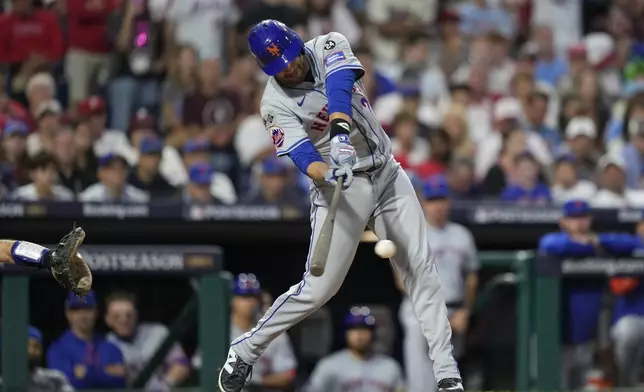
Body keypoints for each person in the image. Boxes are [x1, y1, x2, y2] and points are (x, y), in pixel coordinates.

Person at [218, 20, 462, 392]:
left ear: (297, 43)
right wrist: (324, 173)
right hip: (342, 186)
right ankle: (247, 348)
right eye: (277, 65)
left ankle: (446, 374)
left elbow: (339, 86)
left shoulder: (329, 43)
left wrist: (340, 135)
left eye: (288, 57)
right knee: (320, 288)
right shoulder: (273, 103)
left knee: (421, 269)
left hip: (387, 173)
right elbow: (301, 154)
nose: (288, 67)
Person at [538, 200, 637, 389]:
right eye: (574, 218)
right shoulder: (556, 241)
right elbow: (549, 245)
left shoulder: (600, 241)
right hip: (558, 333)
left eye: (583, 217)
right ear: (563, 222)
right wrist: (587, 245)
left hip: (588, 335)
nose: (579, 223)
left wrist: (597, 241)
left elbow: (633, 243)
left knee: (583, 383)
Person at [397, 175, 479, 392]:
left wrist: (465, 311)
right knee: (421, 381)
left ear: (449, 202)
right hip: (419, 311)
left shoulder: (462, 235)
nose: (438, 205)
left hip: (454, 309)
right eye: (433, 200)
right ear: (423, 202)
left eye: (442, 199)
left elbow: (471, 276)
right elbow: (401, 281)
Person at [195, 274, 297, 389]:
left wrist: (250, 381)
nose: (250, 302)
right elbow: (199, 366)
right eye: (245, 297)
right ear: (233, 300)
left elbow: (288, 375)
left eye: (254, 297)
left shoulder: (273, 330)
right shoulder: (218, 331)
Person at [105, 291, 191, 390]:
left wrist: (166, 386)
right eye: (116, 317)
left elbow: (182, 365)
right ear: (108, 319)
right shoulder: (105, 344)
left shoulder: (158, 332)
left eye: (129, 315)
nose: (124, 320)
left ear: (137, 315)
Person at [306, 306, 405, 392]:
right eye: (353, 329)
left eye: (364, 329)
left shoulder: (390, 366)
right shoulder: (329, 365)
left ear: (373, 334)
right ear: (346, 334)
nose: (359, 335)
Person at [47, 290, 127, 389]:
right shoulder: (57, 350)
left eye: (87, 308)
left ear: (96, 312)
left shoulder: (111, 347)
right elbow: (65, 383)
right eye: (76, 309)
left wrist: (86, 372)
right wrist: (105, 371)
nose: (82, 315)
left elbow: (120, 381)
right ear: (68, 314)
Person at [0, 326, 74, 392]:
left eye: (36, 347)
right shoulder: (2, 384)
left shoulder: (55, 380)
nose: (31, 351)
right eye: (26, 345)